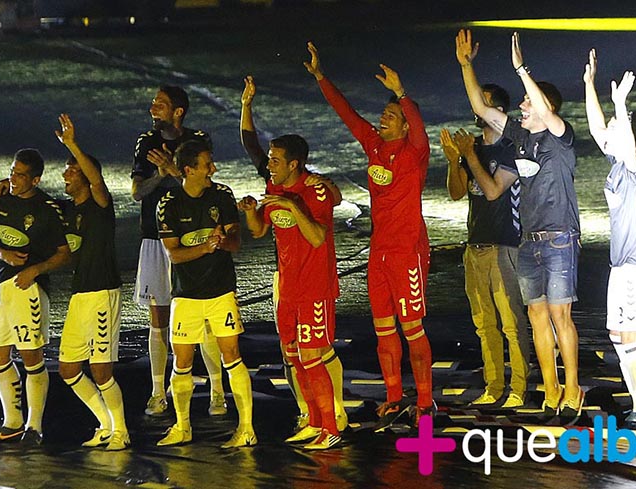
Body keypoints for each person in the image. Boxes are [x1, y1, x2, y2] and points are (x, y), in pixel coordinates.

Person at [454, 29, 584, 421]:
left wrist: (521, 68)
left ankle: (573, 388)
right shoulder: (519, 138)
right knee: (536, 316)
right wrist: (466, 66)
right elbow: (481, 106)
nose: (522, 106)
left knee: (561, 316)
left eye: (528, 101)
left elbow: (544, 111)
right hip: (529, 241)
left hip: (560, 238)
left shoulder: (561, 138)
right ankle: (550, 391)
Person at [305, 42, 434, 428]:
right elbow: (347, 114)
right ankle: (394, 396)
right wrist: (321, 77)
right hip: (378, 254)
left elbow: (420, 126)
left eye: (391, 115)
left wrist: (402, 95)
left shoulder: (416, 153)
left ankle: (426, 402)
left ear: (406, 124)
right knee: (383, 330)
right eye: (385, 114)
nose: (383, 118)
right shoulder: (374, 147)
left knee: (412, 329)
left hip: (407, 252)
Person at [239, 75, 347, 433]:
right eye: (270, 159)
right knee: (294, 357)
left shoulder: (314, 192)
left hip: (315, 286)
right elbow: (258, 230)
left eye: (276, 160)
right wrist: (252, 210)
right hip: (288, 287)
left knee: (314, 357)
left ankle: (331, 427)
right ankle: (313, 422)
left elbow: (317, 237)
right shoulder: (275, 187)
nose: (269, 164)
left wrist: (290, 203)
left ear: (295, 164)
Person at [131, 86, 225, 417]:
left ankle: (217, 392)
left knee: (206, 316)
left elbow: (206, 183)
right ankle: (158, 392)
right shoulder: (146, 143)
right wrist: (162, 173)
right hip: (156, 238)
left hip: (194, 237)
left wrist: (174, 169)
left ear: (178, 112)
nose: (153, 108)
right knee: (158, 317)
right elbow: (137, 193)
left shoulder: (198, 141)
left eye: (160, 104)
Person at [156, 139, 255, 449]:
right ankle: (182, 426)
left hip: (220, 290)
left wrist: (224, 242)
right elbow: (174, 255)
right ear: (189, 170)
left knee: (232, 355)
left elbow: (236, 243)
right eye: (207, 164)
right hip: (186, 295)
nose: (213, 168)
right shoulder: (168, 203)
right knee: (182, 360)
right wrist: (207, 246)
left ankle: (247, 428)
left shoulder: (222, 196)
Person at [583, 50, 636, 427]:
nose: (609, 131)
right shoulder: (617, 165)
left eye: (618, 125)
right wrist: (589, 85)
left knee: (631, 335)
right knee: (618, 335)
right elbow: (600, 130)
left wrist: (619, 103)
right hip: (623, 267)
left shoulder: (635, 167)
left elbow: (626, 144)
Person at [440, 83, 530, 409]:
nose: (477, 112)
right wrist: (455, 160)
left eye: (485, 105)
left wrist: (468, 156)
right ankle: (493, 387)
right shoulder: (473, 146)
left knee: (511, 323)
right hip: (474, 245)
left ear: (499, 113)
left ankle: (518, 387)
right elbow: (456, 192)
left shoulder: (510, 148)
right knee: (483, 325)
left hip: (504, 245)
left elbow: (492, 191)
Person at [0, 148, 71, 445]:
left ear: (36, 179)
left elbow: (63, 254)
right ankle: (12, 421)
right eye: (12, 171)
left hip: (28, 288)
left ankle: (35, 425)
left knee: (31, 355)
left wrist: (36, 270)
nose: (12, 178)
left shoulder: (47, 210)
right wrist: (1, 252)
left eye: (20, 175)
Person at [55, 114, 131, 450]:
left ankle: (121, 431)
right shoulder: (66, 210)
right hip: (79, 295)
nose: (65, 174)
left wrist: (72, 144)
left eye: (72, 170)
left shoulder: (101, 205)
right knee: (68, 368)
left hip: (102, 291)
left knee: (101, 370)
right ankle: (105, 423)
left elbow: (97, 182)